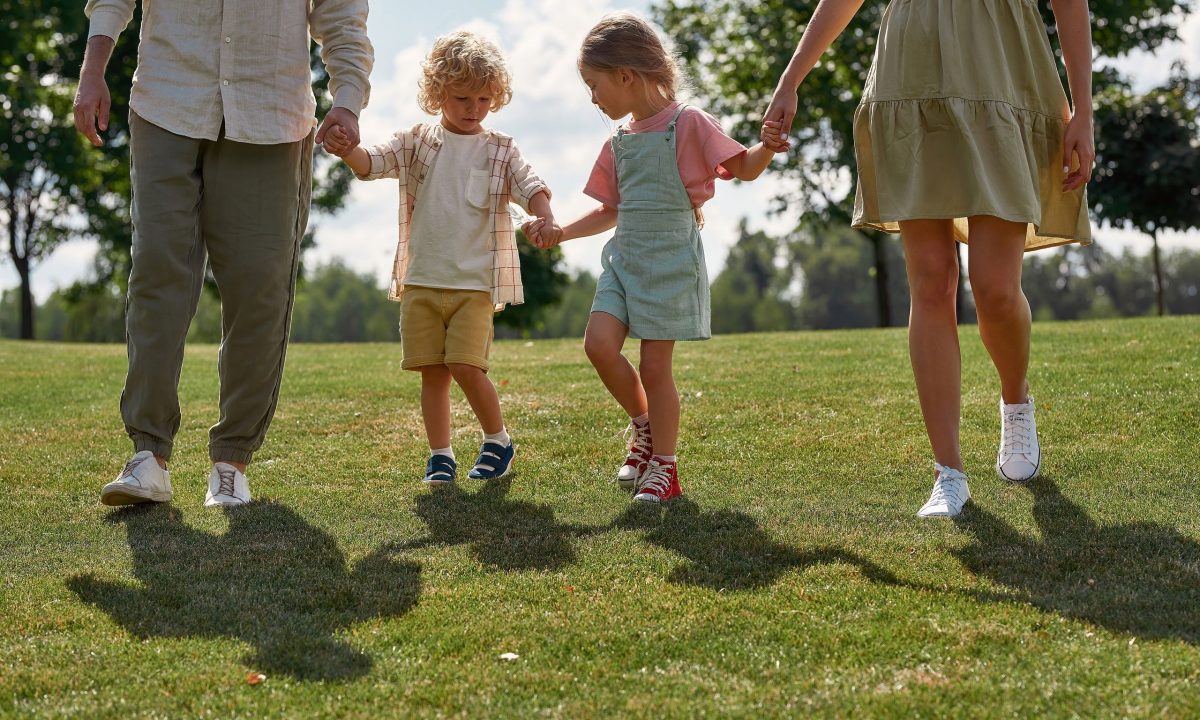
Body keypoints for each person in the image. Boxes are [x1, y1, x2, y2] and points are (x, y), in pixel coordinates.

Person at [762, 0, 1094, 517]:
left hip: (1003, 69)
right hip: (911, 75)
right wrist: (791, 80)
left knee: (995, 288)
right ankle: (948, 473)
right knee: (932, 280)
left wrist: (1084, 112)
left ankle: (1015, 399)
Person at [75, 0, 373, 508]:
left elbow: (343, 17)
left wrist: (347, 101)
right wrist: (92, 70)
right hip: (167, 101)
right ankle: (148, 455)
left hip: (271, 115)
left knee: (260, 289)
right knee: (156, 274)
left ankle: (231, 463)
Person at [524, 12, 778, 503]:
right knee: (599, 345)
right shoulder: (617, 142)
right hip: (623, 264)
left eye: (593, 85)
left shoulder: (690, 123)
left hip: (670, 264)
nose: (592, 98)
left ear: (625, 76)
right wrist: (560, 233)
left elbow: (744, 168)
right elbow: (610, 210)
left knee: (655, 368)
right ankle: (644, 427)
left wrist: (766, 146)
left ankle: (665, 468)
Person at [323, 31, 552, 485]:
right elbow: (372, 163)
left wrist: (544, 216)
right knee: (432, 372)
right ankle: (440, 456)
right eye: (463, 97)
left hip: (475, 284)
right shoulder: (416, 141)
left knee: (466, 365)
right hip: (422, 280)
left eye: (484, 99)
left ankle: (498, 441)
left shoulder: (501, 149)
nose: (474, 108)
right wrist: (348, 150)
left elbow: (531, 185)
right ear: (437, 92)